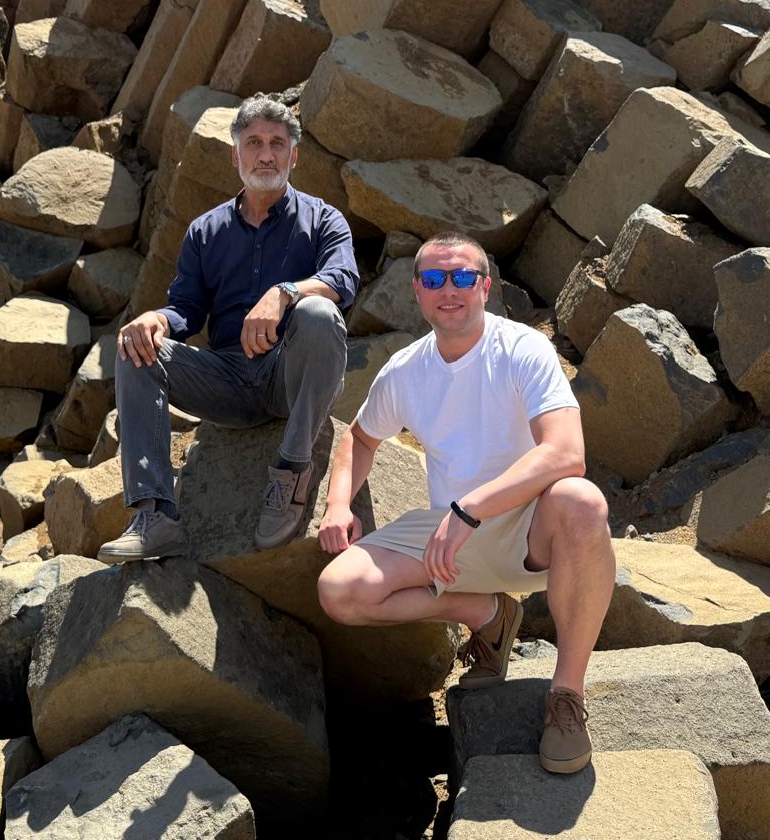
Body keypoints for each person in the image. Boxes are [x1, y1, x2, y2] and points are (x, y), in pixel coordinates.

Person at [314, 231, 613, 775]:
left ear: (485, 286)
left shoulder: (522, 349)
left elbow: (567, 452)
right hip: (452, 544)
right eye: (433, 279)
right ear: (417, 291)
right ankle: (487, 615)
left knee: (582, 501)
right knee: (340, 591)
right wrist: (338, 505)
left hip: (529, 531)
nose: (447, 290)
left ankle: (566, 695)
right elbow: (359, 438)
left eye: (461, 277)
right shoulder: (406, 370)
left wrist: (469, 508)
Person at [97, 95, 359, 563]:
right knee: (134, 348)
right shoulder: (204, 231)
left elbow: (343, 279)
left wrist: (285, 293)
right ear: (235, 155)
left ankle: (292, 470)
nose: (266, 155)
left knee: (319, 312)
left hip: (290, 378)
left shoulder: (324, 219)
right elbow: (186, 310)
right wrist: (158, 319)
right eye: (254, 143)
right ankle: (155, 514)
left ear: (294, 156)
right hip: (227, 381)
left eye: (277, 144)